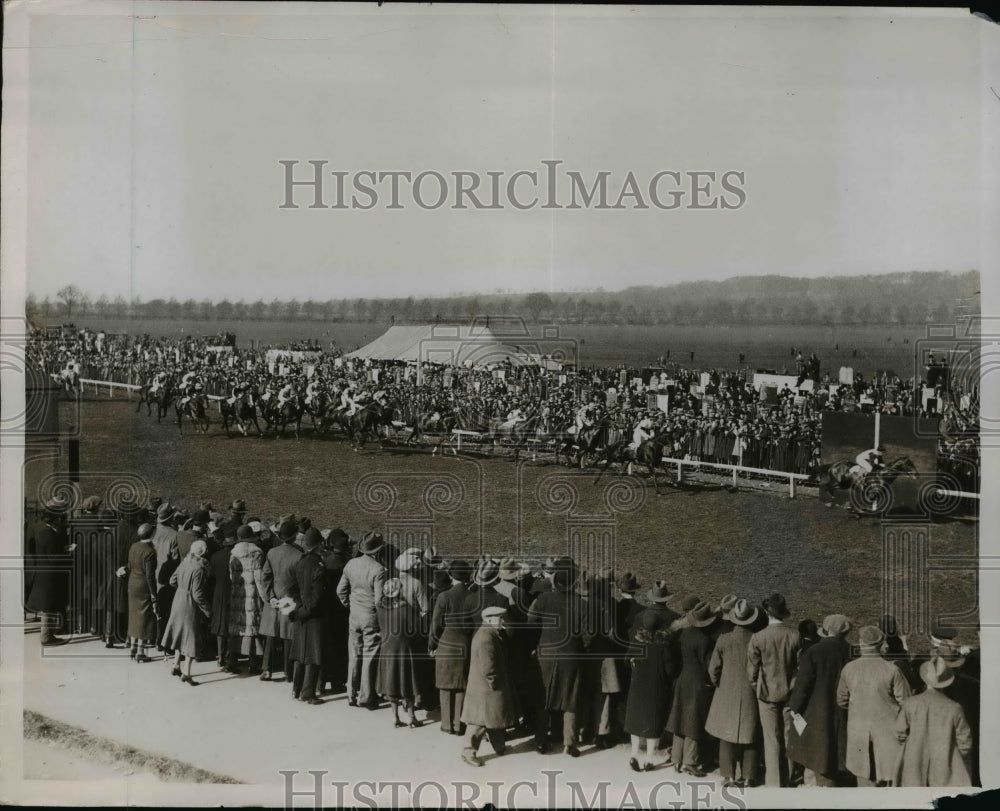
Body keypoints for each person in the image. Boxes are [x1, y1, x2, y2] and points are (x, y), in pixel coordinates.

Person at [836, 625, 911, 786]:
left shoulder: (848, 669)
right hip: (888, 734)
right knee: (889, 783)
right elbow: (907, 702)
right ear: (881, 644)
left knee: (863, 781)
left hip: (858, 732)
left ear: (861, 643)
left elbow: (841, 700)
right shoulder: (892, 670)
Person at [528, 566, 589, 757]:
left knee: (543, 697)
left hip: (545, 652)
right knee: (570, 698)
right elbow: (588, 635)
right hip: (571, 654)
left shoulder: (543, 599)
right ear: (573, 584)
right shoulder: (581, 603)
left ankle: (541, 741)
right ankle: (569, 743)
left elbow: (531, 623)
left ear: (555, 582)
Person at [787, 614, 852, 787]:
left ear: (826, 629)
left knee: (819, 749)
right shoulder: (852, 651)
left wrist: (794, 707)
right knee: (839, 745)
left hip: (817, 709)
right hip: (843, 708)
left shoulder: (814, 651)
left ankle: (824, 784)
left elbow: (803, 684)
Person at [706, 598, 762, 788]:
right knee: (750, 734)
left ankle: (728, 776)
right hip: (750, 692)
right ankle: (749, 777)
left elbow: (713, 668)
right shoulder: (757, 638)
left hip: (727, 691)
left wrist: (718, 684)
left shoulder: (724, 639)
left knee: (726, 735)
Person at [747, 592, 801, 787]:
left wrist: (756, 686)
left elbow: (752, 670)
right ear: (783, 614)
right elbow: (799, 666)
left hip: (766, 693)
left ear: (766, 612)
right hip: (789, 692)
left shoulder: (758, 637)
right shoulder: (794, 635)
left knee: (771, 739)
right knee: (788, 735)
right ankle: (790, 776)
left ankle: (774, 782)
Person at [894, 658, 973, 787]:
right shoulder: (954, 707)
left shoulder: (910, 703)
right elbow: (965, 742)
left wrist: (911, 746)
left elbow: (899, 732)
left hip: (914, 761)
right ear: (946, 683)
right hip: (945, 763)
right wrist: (955, 758)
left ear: (925, 679)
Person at [460, 606, 519, 767]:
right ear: (490, 619)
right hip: (486, 688)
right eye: (501, 618)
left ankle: (499, 747)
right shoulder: (487, 638)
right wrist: (495, 683)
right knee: (479, 722)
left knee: (493, 718)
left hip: (483, 687)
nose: (503, 621)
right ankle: (468, 752)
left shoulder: (488, 633)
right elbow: (488, 666)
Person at [666, 600, 719, 777]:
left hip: (683, 679)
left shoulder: (684, 634)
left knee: (679, 719)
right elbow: (708, 664)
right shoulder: (705, 640)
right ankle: (690, 761)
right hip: (698, 682)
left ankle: (676, 758)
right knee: (693, 722)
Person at [336, 531, 387, 709]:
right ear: (378, 550)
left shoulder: (351, 563)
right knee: (369, 655)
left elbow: (340, 590)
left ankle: (351, 693)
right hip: (370, 615)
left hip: (354, 614)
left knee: (354, 653)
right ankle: (367, 696)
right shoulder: (378, 569)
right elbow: (379, 599)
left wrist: (349, 605)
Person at [624, 611, 678, 772]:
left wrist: (634, 664)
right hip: (656, 688)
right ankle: (649, 760)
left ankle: (634, 754)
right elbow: (670, 670)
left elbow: (626, 661)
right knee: (653, 725)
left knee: (635, 722)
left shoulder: (636, 640)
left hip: (637, 686)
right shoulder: (663, 644)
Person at [430, 559, 479, 735]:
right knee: (461, 684)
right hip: (466, 643)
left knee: (445, 685)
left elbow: (436, 624)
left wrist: (432, 644)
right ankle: (459, 724)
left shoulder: (444, 596)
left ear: (451, 576)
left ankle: (447, 724)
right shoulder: (474, 595)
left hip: (446, 642)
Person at [376, 578, 425, 729]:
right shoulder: (405, 607)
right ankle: (411, 717)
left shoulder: (380, 607)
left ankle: (395, 717)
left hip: (387, 647)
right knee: (406, 682)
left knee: (391, 681)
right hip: (404, 647)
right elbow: (415, 627)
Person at [161, 539, 212, 686]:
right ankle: (187, 673)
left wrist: (182, 588)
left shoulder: (184, 563)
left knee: (179, 633)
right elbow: (197, 594)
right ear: (203, 552)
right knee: (191, 637)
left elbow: (172, 581)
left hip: (178, 599)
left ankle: (176, 664)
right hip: (189, 604)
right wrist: (207, 610)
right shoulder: (199, 569)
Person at [287, 527, 329, 704]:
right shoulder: (319, 566)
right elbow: (317, 598)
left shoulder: (300, 562)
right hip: (313, 616)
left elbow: (292, 589)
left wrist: (298, 609)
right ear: (319, 545)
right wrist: (305, 611)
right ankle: (308, 692)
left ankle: (296, 689)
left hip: (300, 614)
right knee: (314, 655)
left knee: (300, 654)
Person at [25, 498, 74, 646]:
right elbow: (54, 557)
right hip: (50, 575)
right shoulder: (48, 533)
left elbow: (35, 550)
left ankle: (49, 634)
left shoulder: (39, 528)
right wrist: (67, 552)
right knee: (48, 606)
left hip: (43, 571)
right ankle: (46, 637)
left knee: (49, 605)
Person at [259, 520, 303, 682]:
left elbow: (265, 577)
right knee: (288, 636)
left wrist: (270, 597)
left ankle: (266, 669)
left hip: (274, 599)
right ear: (295, 536)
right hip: (290, 599)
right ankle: (288, 672)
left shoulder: (271, 552)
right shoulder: (299, 555)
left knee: (271, 635)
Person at [227, 524, 266, 674]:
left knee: (237, 628)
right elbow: (258, 577)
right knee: (252, 628)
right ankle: (253, 663)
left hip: (237, 591)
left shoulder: (234, 552)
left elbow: (232, 575)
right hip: (252, 592)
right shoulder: (256, 552)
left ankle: (232, 661)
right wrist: (264, 597)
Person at [125, 523, 158, 662]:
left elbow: (130, 565)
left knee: (134, 616)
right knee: (144, 618)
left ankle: (132, 646)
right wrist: (153, 594)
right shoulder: (150, 551)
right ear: (151, 534)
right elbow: (150, 575)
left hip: (132, 582)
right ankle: (141, 651)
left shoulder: (134, 546)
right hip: (143, 585)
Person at [209, 530, 237, 670]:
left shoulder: (215, 556)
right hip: (232, 592)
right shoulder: (235, 557)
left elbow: (210, 576)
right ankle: (230, 658)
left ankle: (220, 656)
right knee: (231, 627)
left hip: (218, 592)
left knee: (220, 626)